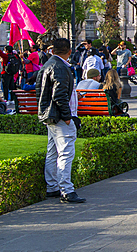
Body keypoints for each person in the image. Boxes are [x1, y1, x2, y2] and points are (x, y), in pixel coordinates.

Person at [37, 38, 85, 203]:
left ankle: (52, 187)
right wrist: (66, 117)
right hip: (59, 116)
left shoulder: (47, 65)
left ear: (52, 50)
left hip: (49, 115)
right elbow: (59, 95)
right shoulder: (60, 67)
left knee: (52, 152)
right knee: (65, 152)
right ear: (69, 51)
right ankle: (67, 189)